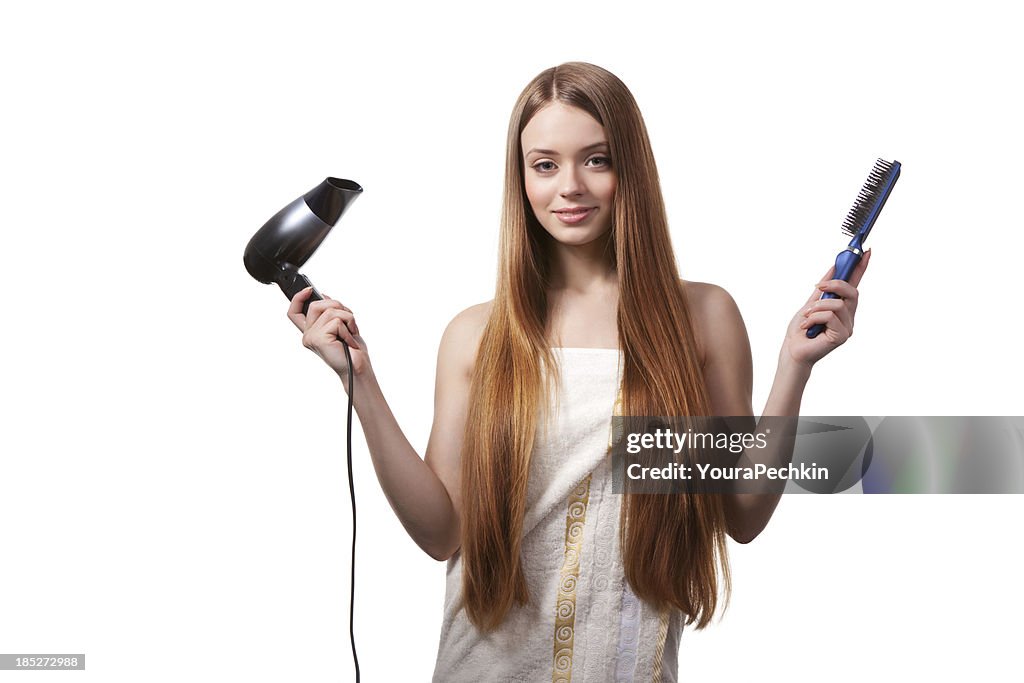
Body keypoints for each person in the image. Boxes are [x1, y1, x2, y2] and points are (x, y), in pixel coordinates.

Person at [285, 62, 869, 682]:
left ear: (631, 171)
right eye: (544, 164)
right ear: (522, 180)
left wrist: (794, 370)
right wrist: (360, 382)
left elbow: (743, 515)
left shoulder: (702, 318)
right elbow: (441, 533)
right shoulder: (476, 335)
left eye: (596, 159)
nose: (570, 186)